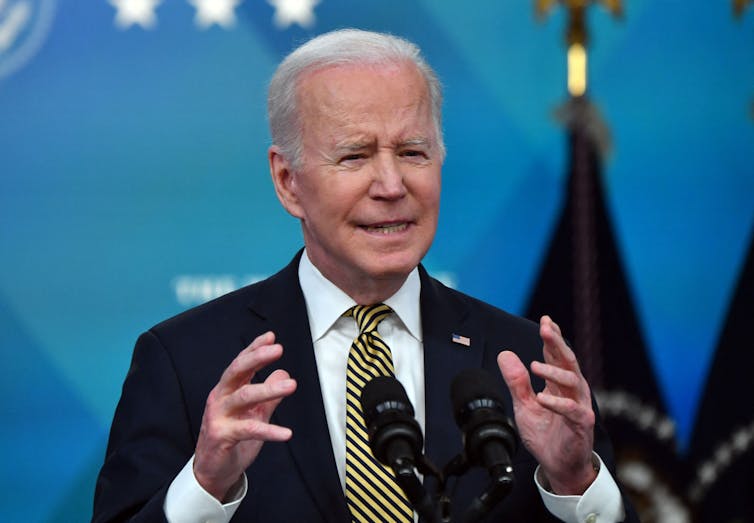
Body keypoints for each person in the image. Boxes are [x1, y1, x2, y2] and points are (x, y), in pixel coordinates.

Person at [93, 29, 637, 522]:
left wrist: (575, 481)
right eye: (355, 156)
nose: (391, 184)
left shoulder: (522, 363)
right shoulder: (188, 362)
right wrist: (205, 485)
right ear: (287, 182)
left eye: (412, 152)